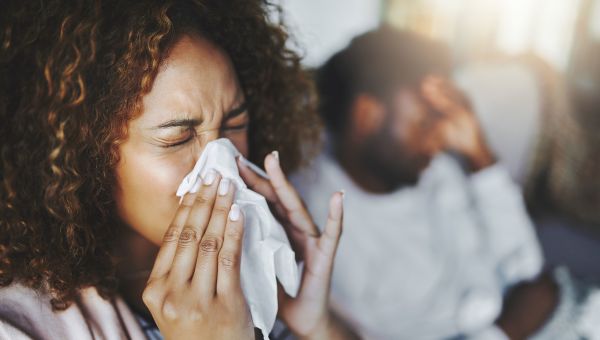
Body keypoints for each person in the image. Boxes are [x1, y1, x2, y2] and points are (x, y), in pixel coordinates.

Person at [0, 1, 357, 339]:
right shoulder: (20, 326)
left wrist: (317, 324)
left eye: (235, 123)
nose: (221, 167)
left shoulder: (262, 277)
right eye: (178, 137)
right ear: (85, 154)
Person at [293, 25, 600, 339]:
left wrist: (480, 155)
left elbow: (525, 266)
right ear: (367, 116)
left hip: (561, 312)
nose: (437, 140)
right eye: (425, 121)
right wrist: (509, 327)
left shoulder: (430, 170)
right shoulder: (324, 228)